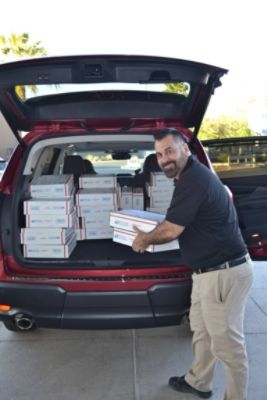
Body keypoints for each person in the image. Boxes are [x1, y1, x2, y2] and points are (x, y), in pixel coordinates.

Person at [132, 128, 253, 400]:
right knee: (201, 329)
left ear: (186, 149)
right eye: (160, 154)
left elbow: (171, 229)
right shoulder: (190, 177)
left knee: (227, 345)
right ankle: (199, 381)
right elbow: (179, 222)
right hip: (207, 272)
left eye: (170, 151)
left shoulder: (193, 181)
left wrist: (144, 240)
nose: (164, 159)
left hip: (222, 274)